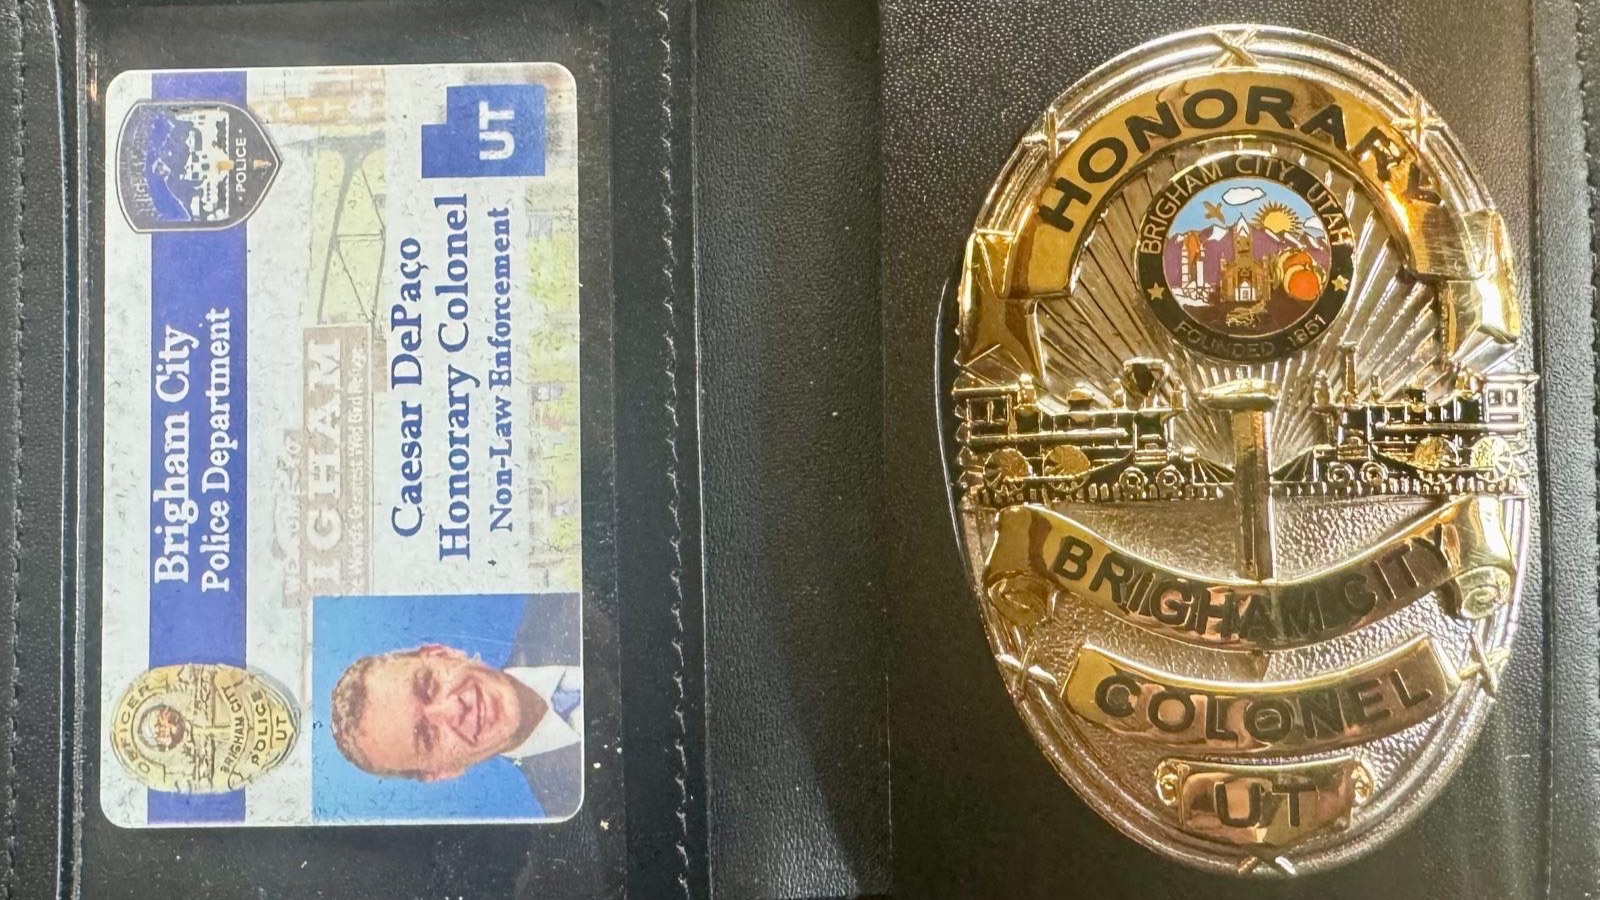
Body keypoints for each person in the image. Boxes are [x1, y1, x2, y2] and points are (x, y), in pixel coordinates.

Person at [329, 592, 582, 817]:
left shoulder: (564, 599)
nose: (454, 709)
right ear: (442, 772)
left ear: (443, 652)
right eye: (428, 736)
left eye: (429, 686)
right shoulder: (570, 807)